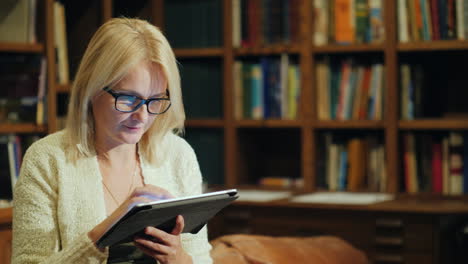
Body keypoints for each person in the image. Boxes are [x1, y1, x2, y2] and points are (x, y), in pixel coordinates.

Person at [12, 18, 213, 264]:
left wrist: (177, 258)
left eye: (155, 99)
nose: (143, 116)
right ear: (92, 88)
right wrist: (101, 235)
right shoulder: (47, 160)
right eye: (129, 99)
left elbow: (201, 259)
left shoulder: (177, 155)